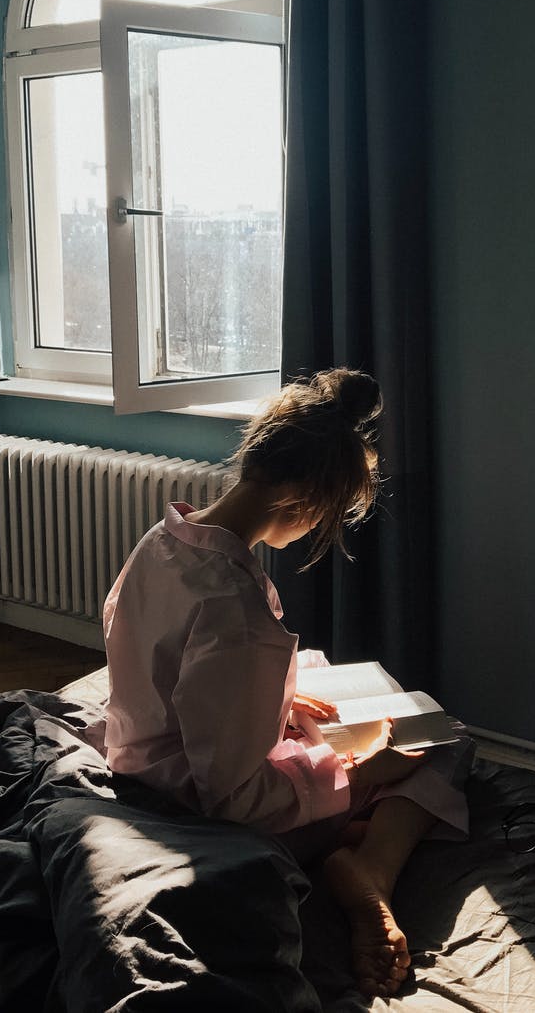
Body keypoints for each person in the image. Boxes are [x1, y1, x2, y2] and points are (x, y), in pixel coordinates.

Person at [87, 368, 470, 998]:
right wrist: (353, 771)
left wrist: (281, 698)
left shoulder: (162, 540)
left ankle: (355, 841)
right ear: (305, 501)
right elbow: (233, 799)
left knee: (370, 715)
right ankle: (369, 870)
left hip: (140, 756)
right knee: (449, 743)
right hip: (190, 805)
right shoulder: (235, 610)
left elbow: (171, 666)